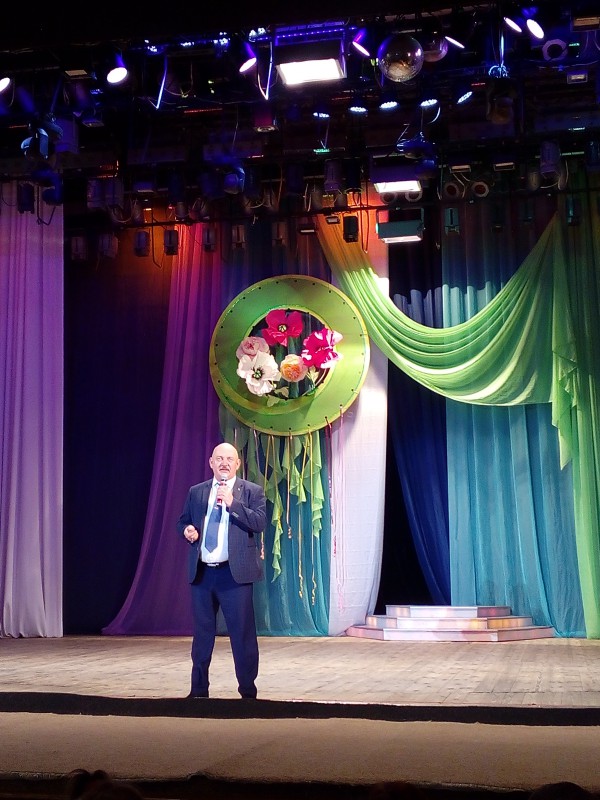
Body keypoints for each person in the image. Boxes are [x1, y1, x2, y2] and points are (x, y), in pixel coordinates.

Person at [176, 441, 267, 700]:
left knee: (242, 636)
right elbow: (183, 521)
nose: (224, 463)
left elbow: (260, 522)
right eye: (219, 459)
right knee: (202, 636)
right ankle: (198, 692)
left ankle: (248, 693)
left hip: (234, 575)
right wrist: (187, 531)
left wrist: (232, 503)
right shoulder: (197, 492)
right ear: (211, 463)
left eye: (229, 459)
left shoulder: (251, 491)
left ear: (237, 464)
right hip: (203, 574)